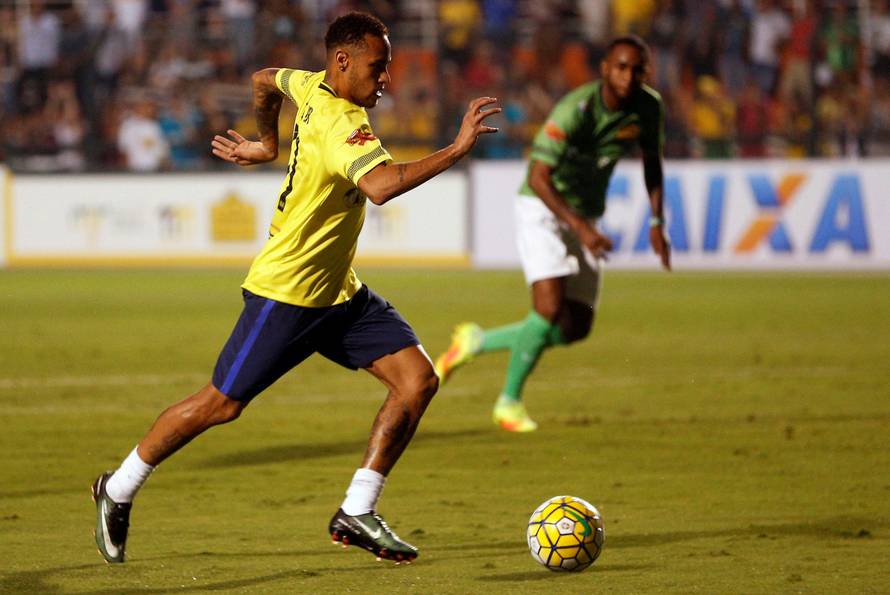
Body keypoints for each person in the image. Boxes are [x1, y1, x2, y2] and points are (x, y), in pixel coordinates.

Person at [92, 12, 499, 565]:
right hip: (286, 292)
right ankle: (118, 488)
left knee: (417, 380)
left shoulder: (308, 81)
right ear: (343, 61)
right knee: (220, 405)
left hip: (338, 293)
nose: (386, 80)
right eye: (378, 69)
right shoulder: (341, 123)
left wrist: (267, 143)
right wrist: (455, 150)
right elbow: (380, 187)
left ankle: (357, 509)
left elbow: (263, 79)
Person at [434, 35, 670, 432]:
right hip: (542, 207)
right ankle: (508, 402)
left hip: (584, 215)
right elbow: (538, 177)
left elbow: (653, 163)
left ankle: (475, 343)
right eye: (621, 67)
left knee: (575, 325)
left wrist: (657, 222)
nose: (629, 76)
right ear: (605, 70)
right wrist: (581, 228)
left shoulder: (649, 107)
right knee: (547, 307)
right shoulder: (574, 111)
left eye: (637, 69)